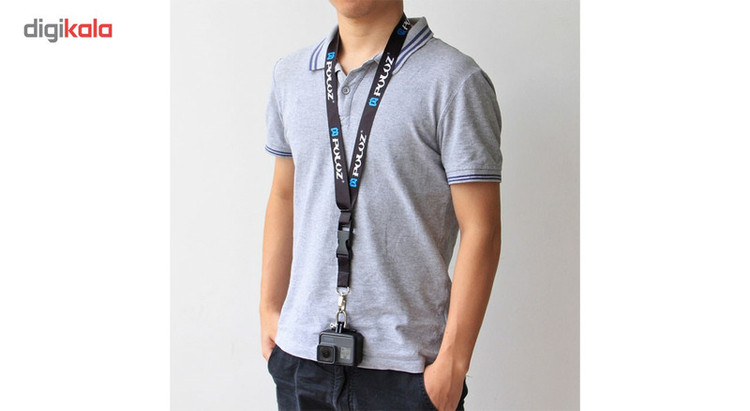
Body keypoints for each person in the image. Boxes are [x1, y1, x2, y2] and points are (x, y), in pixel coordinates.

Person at [260, 0, 502, 409]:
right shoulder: (290, 74)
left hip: (407, 369)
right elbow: (284, 195)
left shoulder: (455, 80)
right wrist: (269, 309)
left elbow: (482, 228)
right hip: (301, 357)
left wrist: (453, 363)